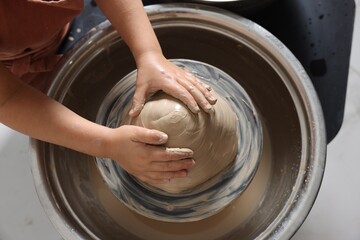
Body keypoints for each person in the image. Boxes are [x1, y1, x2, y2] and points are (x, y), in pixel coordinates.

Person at [0, 0, 217, 184]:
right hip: (15, 78)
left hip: (61, 24)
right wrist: (107, 144)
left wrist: (149, 53)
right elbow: (8, 99)